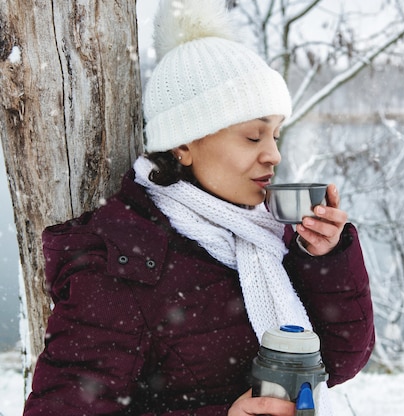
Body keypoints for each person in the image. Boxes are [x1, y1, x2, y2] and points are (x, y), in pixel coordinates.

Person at [23, 0, 375, 415]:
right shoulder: (121, 266)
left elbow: (338, 363)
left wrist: (325, 258)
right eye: (253, 137)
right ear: (185, 143)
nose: (274, 155)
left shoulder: (264, 236)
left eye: (276, 135)